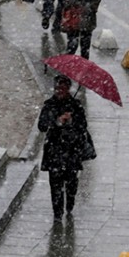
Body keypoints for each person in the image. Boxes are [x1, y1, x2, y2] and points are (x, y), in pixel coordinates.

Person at [38, 75, 89, 221]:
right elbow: (41, 126)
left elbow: (83, 126)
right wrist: (57, 121)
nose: (59, 91)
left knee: (71, 183)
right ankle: (57, 213)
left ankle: (70, 204)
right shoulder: (49, 105)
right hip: (54, 151)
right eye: (57, 88)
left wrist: (72, 120)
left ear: (68, 89)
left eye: (62, 88)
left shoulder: (76, 106)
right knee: (55, 184)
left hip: (72, 151)